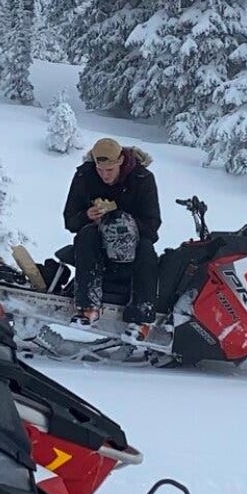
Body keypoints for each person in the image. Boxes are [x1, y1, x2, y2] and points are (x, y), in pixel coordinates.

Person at [63, 137, 161, 343]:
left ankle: (141, 317)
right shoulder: (84, 176)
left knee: (146, 248)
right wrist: (86, 216)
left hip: (134, 246)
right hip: (97, 244)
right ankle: (87, 305)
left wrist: (125, 222)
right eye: (100, 170)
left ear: (120, 163)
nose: (104, 175)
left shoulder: (142, 178)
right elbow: (70, 219)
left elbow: (153, 225)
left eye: (109, 170)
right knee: (86, 234)